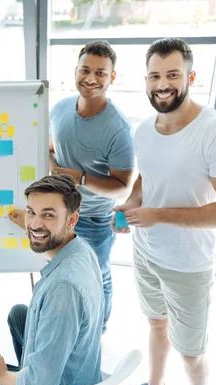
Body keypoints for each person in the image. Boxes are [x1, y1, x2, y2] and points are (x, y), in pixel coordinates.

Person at [114, 38, 216, 385]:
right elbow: (149, 176)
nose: (162, 84)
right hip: (145, 253)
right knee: (156, 324)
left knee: (191, 352)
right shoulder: (144, 130)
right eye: (154, 76)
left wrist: (157, 215)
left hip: (188, 265)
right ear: (144, 80)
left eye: (172, 74)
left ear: (192, 76)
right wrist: (132, 203)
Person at [9, 40, 135, 331]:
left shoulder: (118, 129)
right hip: (59, 214)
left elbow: (122, 186)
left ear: (112, 77)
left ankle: (95, 331)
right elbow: (54, 148)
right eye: (85, 70)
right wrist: (53, 164)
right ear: (75, 71)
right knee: (58, 272)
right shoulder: (61, 109)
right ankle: (58, 324)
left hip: (93, 218)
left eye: (101, 73)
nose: (91, 79)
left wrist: (79, 178)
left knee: (96, 275)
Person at [0, 174, 104, 385]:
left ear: (71, 220)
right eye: (31, 212)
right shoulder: (82, 251)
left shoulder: (63, 288)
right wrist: (33, 226)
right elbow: (39, 227)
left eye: (48, 215)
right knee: (19, 314)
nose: (35, 223)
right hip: (81, 374)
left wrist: (0, 376)